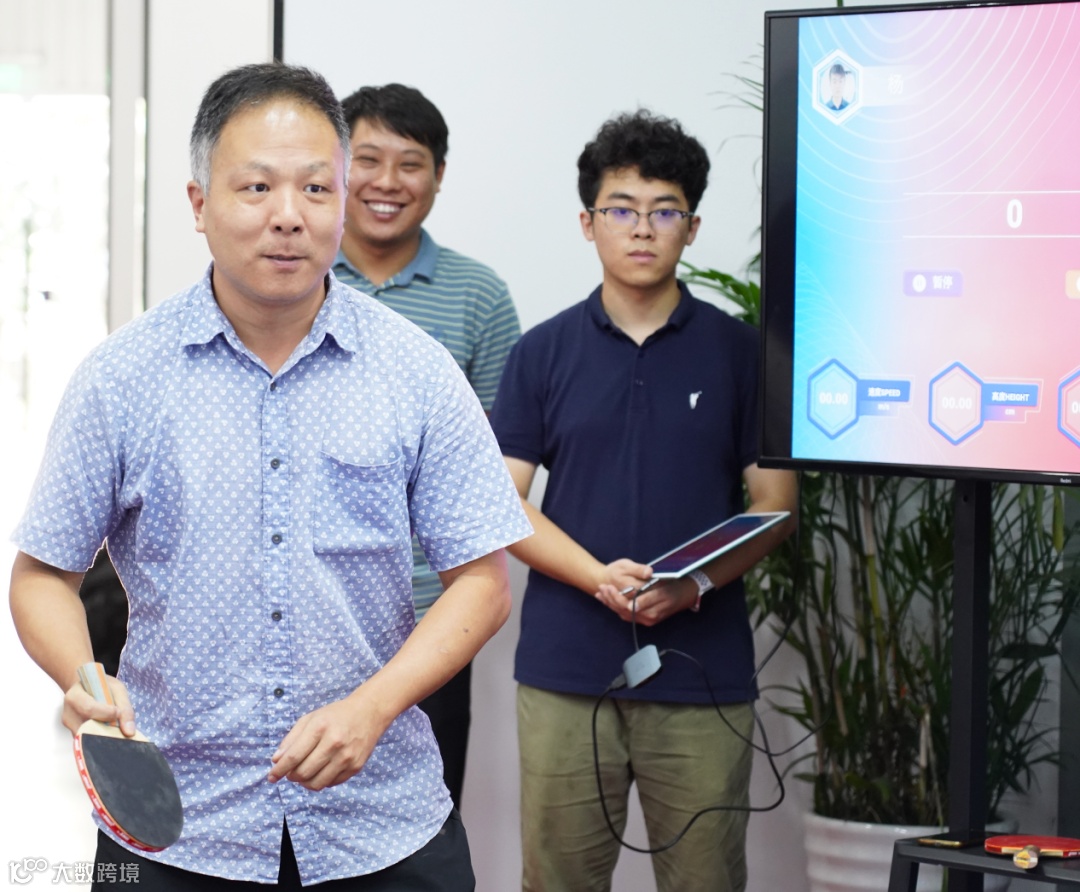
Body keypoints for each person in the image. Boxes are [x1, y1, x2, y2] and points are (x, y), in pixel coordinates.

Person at [8, 62, 531, 891]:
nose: (289, 215)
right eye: (256, 187)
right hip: (177, 828)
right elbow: (42, 576)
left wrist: (372, 708)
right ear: (198, 204)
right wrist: (84, 680)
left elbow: (483, 581)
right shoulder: (120, 378)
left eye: (317, 189)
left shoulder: (417, 371)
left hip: (381, 820)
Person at [488, 110, 798, 892]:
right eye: (621, 209)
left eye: (664, 212)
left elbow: (774, 505)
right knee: (556, 881)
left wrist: (693, 585)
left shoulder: (742, 352)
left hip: (702, 672)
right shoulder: (541, 352)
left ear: (691, 229)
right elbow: (502, 502)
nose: (641, 229)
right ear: (587, 222)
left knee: (705, 881)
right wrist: (597, 577)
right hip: (566, 670)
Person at [332, 83, 520, 809]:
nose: (387, 182)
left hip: (429, 624)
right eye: (367, 159)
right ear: (336, 166)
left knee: (423, 825)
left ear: (439, 176)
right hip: (302, 617)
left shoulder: (480, 296)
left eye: (410, 164)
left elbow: (497, 468)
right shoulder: (292, 276)